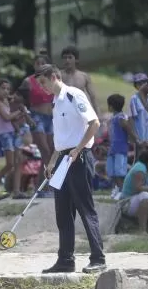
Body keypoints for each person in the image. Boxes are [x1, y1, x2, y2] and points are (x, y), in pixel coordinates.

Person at [35, 64, 106, 274]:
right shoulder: (55, 103)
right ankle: (65, 259)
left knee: (85, 208)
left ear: (54, 77)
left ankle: (98, 258)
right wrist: (52, 161)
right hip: (62, 160)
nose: (42, 87)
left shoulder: (74, 95)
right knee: (63, 212)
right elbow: (61, 138)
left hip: (79, 157)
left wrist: (78, 149)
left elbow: (94, 123)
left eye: (43, 82)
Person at [0, 80, 28, 199]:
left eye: (8, 89)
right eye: (3, 88)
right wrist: (20, 111)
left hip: (14, 132)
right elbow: (6, 117)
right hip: (4, 134)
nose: (6, 91)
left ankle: (16, 191)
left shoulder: (7, 101)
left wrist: (20, 113)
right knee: (10, 163)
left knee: (18, 161)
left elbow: (12, 116)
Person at [106, 94, 138, 199]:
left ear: (111, 106)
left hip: (120, 149)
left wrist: (136, 140)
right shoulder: (114, 118)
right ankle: (117, 188)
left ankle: (122, 191)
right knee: (112, 171)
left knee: (119, 172)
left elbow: (128, 129)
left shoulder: (121, 117)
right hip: (112, 149)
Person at [59, 45, 98, 110]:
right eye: (65, 58)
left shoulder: (84, 76)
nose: (67, 60)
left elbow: (92, 96)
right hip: (64, 110)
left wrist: (97, 113)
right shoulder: (58, 76)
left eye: (70, 57)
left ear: (76, 60)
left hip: (80, 108)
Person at [129, 73, 148, 151]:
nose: (141, 85)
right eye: (139, 83)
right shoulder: (134, 99)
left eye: (144, 83)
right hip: (141, 136)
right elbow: (131, 118)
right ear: (135, 86)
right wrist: (135, 138)